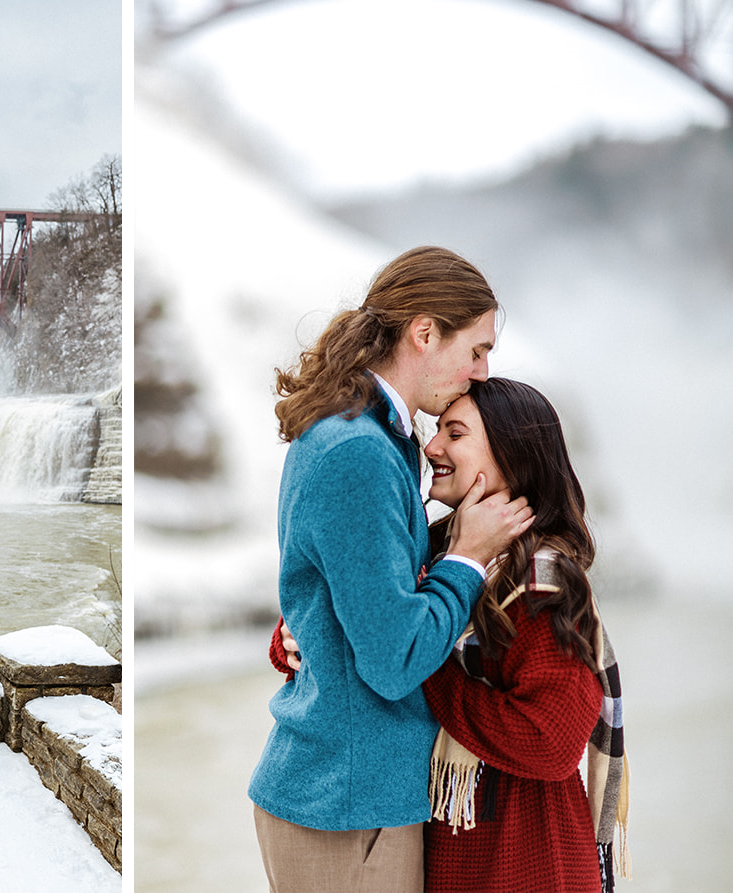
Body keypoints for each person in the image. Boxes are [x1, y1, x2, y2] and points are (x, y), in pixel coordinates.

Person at [247, 246, 535, 893]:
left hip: (351, 794)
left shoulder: (376, 436)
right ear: (425, 332)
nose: (482, 373)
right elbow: (393, 659)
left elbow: (351, 594)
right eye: (476, 349)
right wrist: (467, 556)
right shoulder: (359, 449)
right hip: (346, 806)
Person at [273, 378, 630, 893]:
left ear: (511, 456)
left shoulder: (544, 586)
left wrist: (412, 663)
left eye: (455, 433)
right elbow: (360, 611)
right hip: (446, 842)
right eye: (439, 428)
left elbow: (550, 741)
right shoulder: (439, 546)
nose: (433, 446)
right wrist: (305, 637)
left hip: (525, 861)